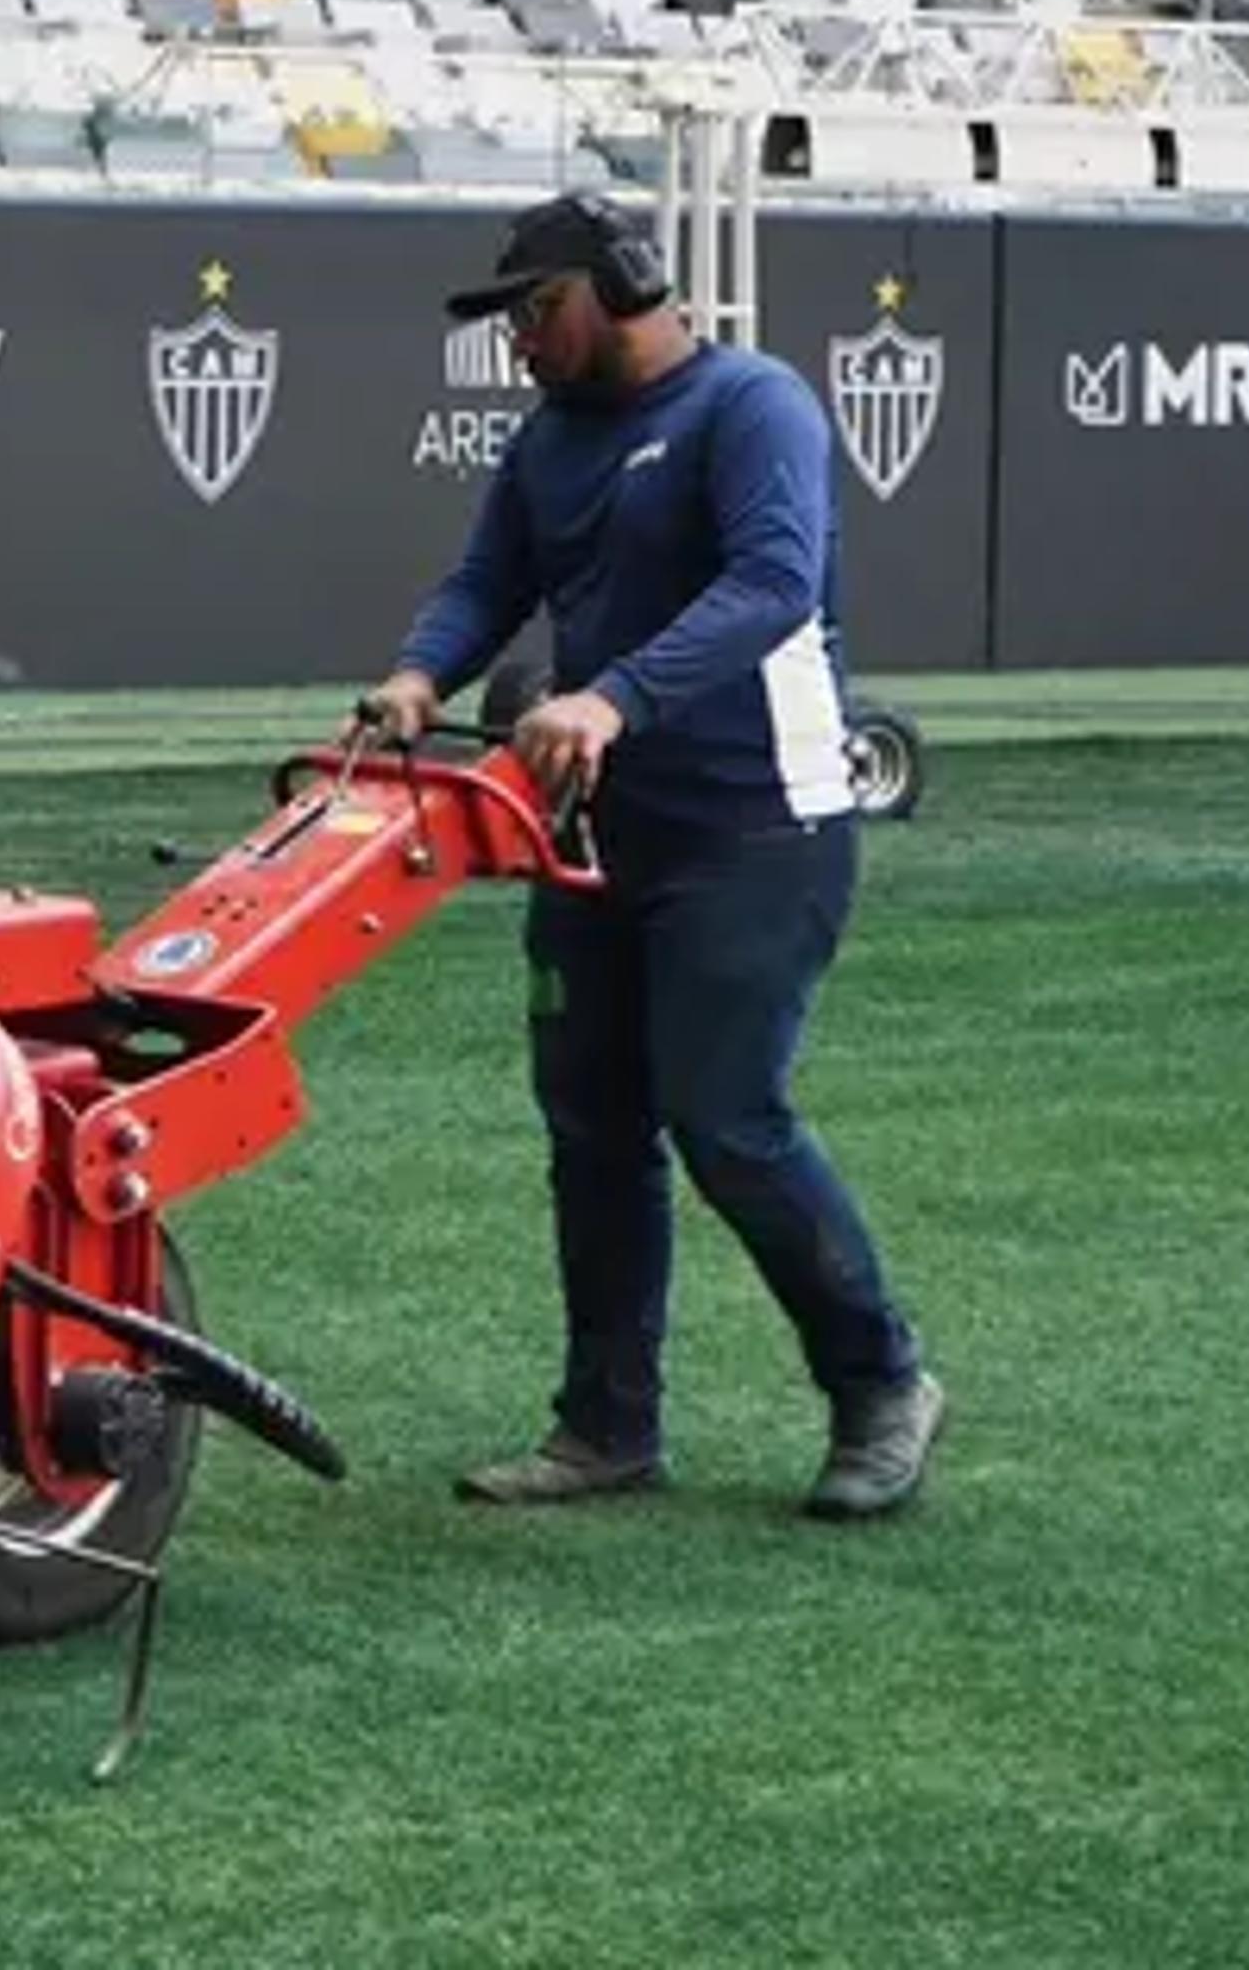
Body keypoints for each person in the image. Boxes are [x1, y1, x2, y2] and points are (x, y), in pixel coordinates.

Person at [361, 190, 946, 1521]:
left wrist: (612, 697)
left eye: (537, 309)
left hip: (759, 822)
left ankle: (882, 1384)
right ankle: (606, 1430)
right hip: (596, 834)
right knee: (593, 1127)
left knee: (726, 1116)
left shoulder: (754, 407)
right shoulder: (550, 442)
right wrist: (416, 672)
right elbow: (485, 582)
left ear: (622, 283)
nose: (519, 341)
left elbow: (773, 583)